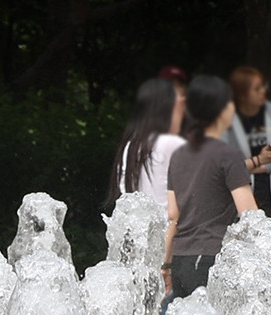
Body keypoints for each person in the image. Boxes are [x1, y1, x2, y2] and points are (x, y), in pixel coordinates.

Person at [163, 75, 258, 299]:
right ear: (223, 109)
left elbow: (173, 215)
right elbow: (250, 215)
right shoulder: (229, 155)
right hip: (212, 258)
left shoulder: (178, 155)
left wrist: (166, 264)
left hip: (181, 259)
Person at [224, 66, 271, 219]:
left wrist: (255, 167)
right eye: (257, 89)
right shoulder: (227, 120)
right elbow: (224, 167)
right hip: (240, 200)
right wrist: (261, 159)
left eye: (263, 86)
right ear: (242, 94)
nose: (263, 91)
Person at [105, 78, 187, 213]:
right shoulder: (172, 144)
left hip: (138, 230)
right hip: (172, 230)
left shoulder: (130, 146)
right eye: (180, 103)